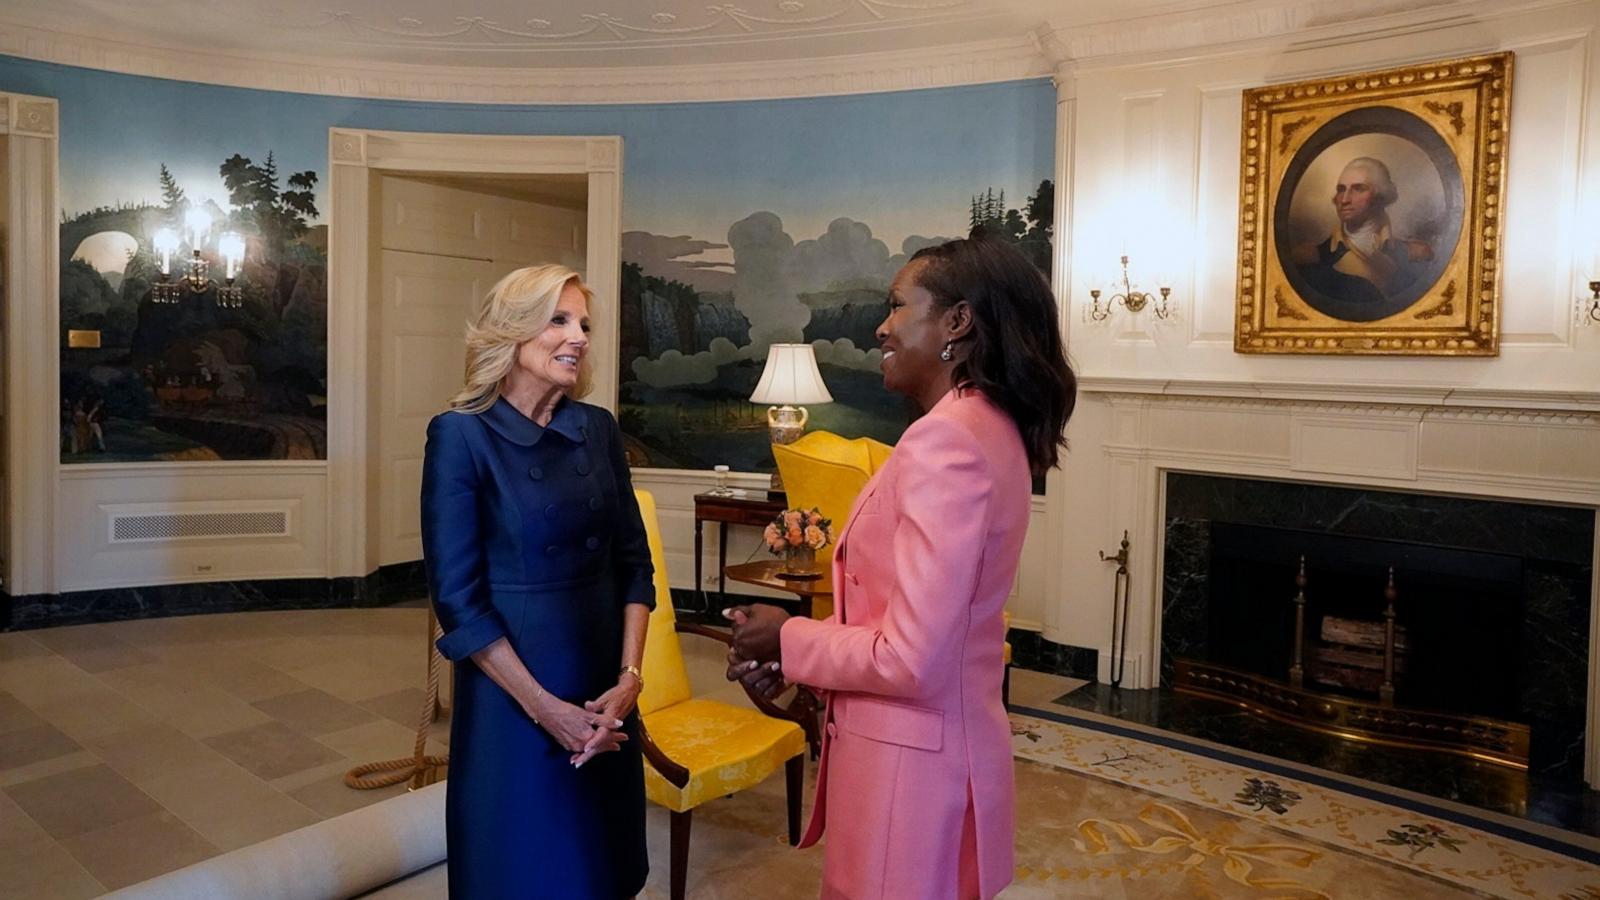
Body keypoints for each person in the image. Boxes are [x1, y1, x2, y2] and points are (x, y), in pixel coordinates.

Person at [725, 237, 1077, 900]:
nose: (881, 327)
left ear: (956, 322)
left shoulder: (945, 441)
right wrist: (800, 663)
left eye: (896, 307)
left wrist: (788, 637)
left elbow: (911, 658)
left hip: (910, 778)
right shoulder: (987, 425)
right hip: (941, 754)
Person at [421, 264, 655, 899]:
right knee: (524, 866)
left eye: (583, 323)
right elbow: (459, 602)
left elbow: (635, 566)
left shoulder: (598, 428)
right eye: (559, 320)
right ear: (512, 334)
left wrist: (630, 680)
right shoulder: (460, 436)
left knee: (602, 863)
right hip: (515, 695)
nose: (578, 335)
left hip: (604, 688)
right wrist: (544, 708)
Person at [1292, 156, 1434, 306]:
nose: (1345, 199)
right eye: (1341, 189)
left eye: (1358, 188)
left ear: (1380, 196)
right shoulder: (1311, 259)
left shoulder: (1415, 255)